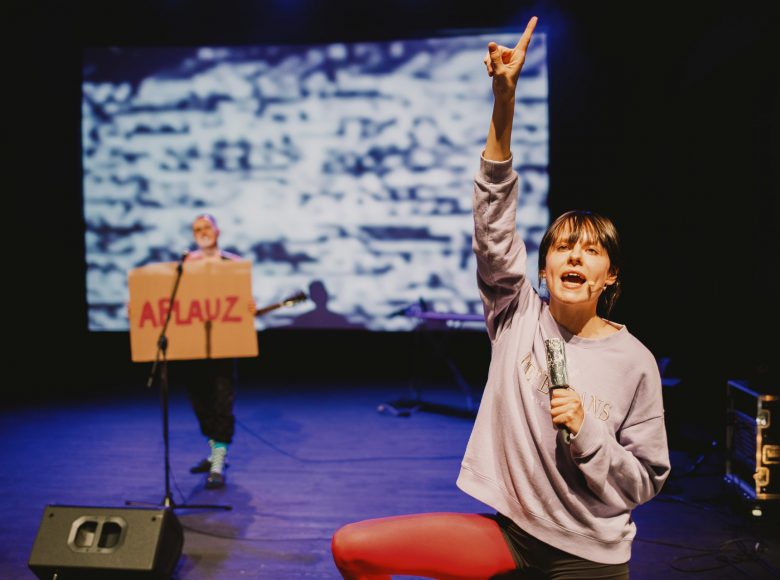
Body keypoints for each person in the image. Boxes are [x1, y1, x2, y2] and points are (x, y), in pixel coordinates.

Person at [331, 16, 670, 579]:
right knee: (353, 547)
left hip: (587, 554)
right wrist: (503, 102)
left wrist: (587, 432)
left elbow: (646, 480)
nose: (574, 257)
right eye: (562, 247)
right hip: (510, 536)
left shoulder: (634, 362)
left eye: (590, 251)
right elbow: (493, 224)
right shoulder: (517, 314)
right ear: (543, 267)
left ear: (610, 276)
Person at [182, 213, 243, 489]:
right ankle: (214, 453)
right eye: (197, 229)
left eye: (206, 227)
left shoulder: (233, 264)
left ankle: (218, 462)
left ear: (217, 231)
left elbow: (241, 299)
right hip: (192, 345)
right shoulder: (185, 265)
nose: (202, 232)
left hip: (223, 345)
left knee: (221, 402)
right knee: (201, 403)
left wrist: (249, 306)